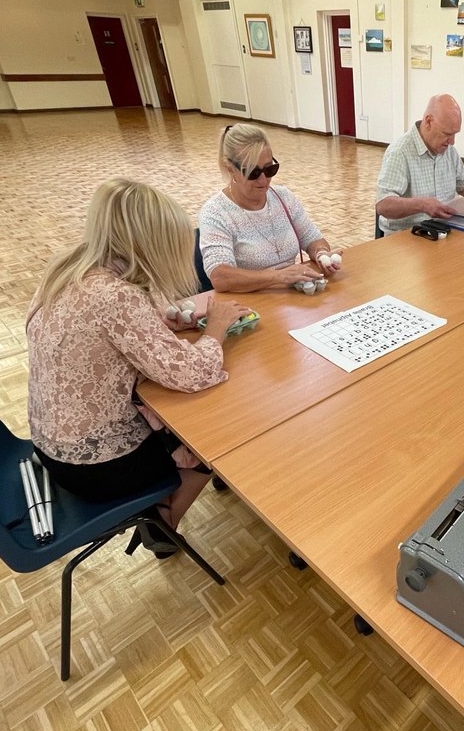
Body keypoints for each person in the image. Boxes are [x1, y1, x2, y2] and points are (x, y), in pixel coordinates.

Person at [27, 178, 252, 554]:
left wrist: (158, 324)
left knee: (186, 415)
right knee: (215, 435)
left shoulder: (69, 270)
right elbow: (191, 374)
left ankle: (161, 510)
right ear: (148, 244)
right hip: (98, 464)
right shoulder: (116, 296)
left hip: (51, 442)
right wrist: (217, 327)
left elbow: (99, 341)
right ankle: (164, 523)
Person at [198, 124, 340, 292]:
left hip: (290, 300)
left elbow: (313, 239)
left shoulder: (283, 197)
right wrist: (279, 276)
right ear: (231, 168)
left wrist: (321, 254)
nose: (263, 180)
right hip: (250, 304)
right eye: (253, 172)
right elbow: (220, 277)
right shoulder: (215, 212)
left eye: (270, 169)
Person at [375, 94, 464, 236]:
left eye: (455, 134)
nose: (452, 142)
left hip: (442, 231)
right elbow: (383, 205)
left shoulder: (449, 150)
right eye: (447, 134)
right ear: (429, 122)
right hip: (407, 237)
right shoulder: (400, 152)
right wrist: (422, 205)